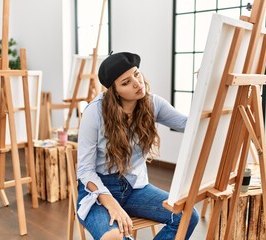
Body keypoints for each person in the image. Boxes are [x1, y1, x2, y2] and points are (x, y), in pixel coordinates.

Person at [76, 52, 199, 240]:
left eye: (137, 73)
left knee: (187, 216)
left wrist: (206, 89)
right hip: (99, 191)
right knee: (114, 237)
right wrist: (112, 204)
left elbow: (189, 124)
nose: (136, 83)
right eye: (126, 82)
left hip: (135, 188)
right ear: (114, 91)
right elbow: (85, 171)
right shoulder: (94, 112)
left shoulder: (152, 103)